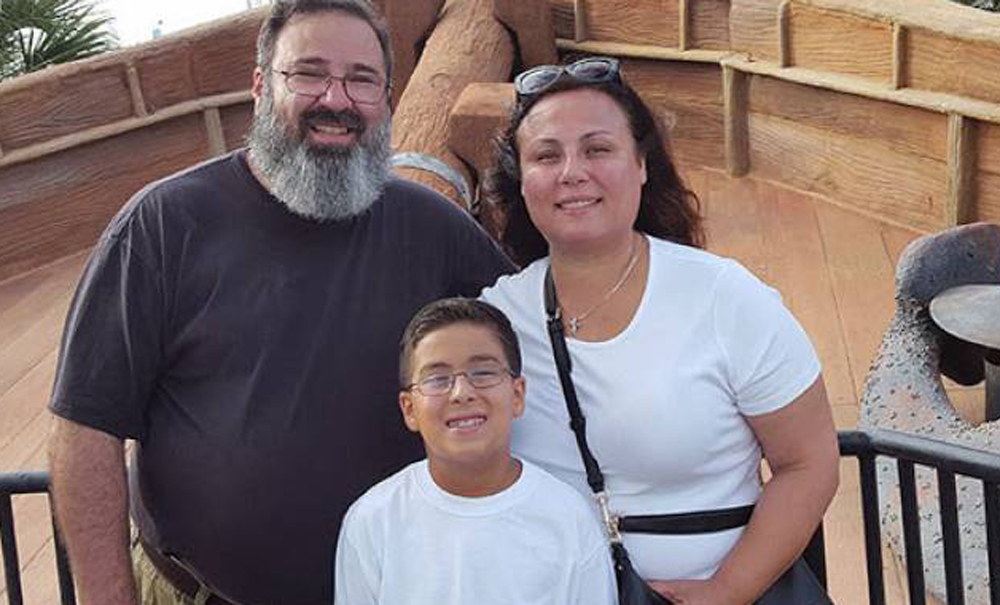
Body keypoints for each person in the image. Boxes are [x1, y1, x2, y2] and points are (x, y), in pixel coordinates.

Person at [46, 1, 512, 604]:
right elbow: (85, 426)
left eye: (362, 79)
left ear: (386, 99)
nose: (337, 100)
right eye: (309, 73)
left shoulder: (434, 229)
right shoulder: (163, 225)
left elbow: (541, 341)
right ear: (261, 86)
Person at [480, 56, 840, 605]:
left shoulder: (725, 299)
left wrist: (728, 590)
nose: (572, 171)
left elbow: (809, 463)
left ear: (642, 165)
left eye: (597, 149)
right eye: (546, 155)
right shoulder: (495, 320)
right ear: (522, 182)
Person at [333, 298, 616, 604]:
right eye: (437, 379)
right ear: (409, 408)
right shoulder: (373, 521)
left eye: (482, 373)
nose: (462, 393)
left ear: (517, 394)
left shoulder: (568, 519)